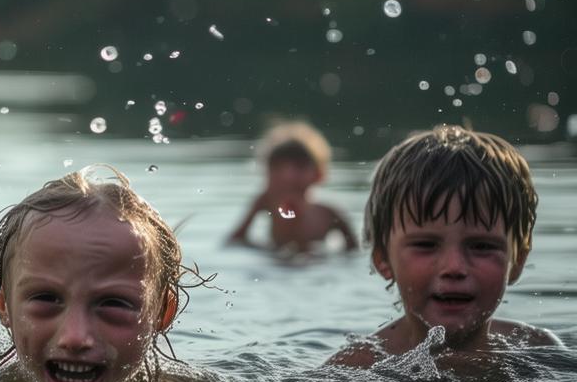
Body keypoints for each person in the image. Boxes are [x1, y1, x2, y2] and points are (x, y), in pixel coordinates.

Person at [0, 165, 214, 382]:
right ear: (3, 304)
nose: (75, 338)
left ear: (162, 313)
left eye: (113, 303)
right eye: (46, 298)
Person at [328, 125, 560, 367]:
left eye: (481, 246)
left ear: (517, 261)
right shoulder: (356, 366)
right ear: (383, 259)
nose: (454, 267)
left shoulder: (538, 349)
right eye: (426, 245)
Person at [227, 121, 357, 253]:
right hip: (275, 261)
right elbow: (234, 241)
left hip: (315, 262)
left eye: (300, 166)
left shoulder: (328, 214)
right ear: (266, 172)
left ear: (318, 174)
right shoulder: (265, 201)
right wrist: (266, 252)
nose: (288, 175)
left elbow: (354, 252)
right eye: (277, 166)